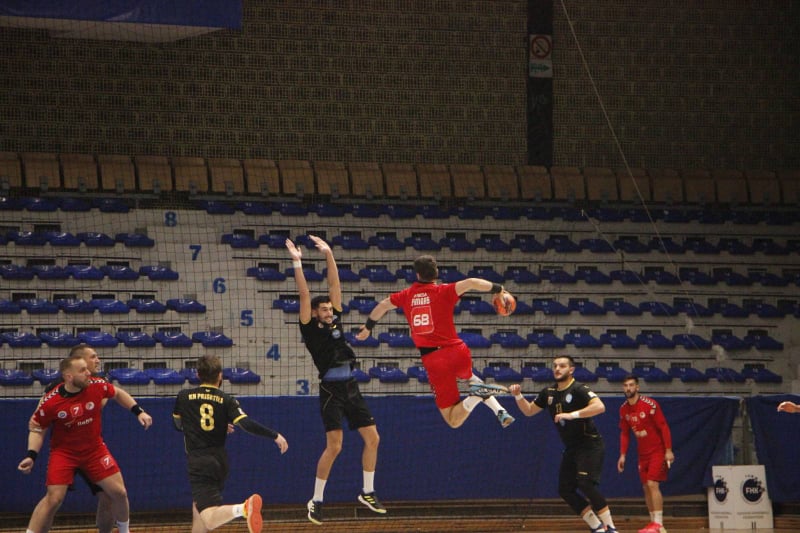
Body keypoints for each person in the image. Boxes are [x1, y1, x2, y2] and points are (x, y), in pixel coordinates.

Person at [286, 235, 386, 525]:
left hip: (351, 387)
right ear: (315, 314)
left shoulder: (336, 319)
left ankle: (367, 492)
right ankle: (316, 500)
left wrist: (329, 253)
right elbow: (304, 294)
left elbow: (334, 285)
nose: (330, 312)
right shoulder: (309, 328)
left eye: (331, 309)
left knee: (373, 438)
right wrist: (297, 263)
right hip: (331, 390)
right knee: (335, 447)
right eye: (325, 310)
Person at [356, 254, 515, 429]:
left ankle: (475, 397)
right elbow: (471, 282)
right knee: (471, 379)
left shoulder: (406, 295)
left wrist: (368, 327)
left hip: (434, 359)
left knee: (453, 420)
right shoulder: (444, 291)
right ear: (436, 272)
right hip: (458, 352)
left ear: (417, 274)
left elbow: (383, 305)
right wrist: (499, 288)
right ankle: (500, 410)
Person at [18, 352, 153, 533]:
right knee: (54, 499)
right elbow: (37, 428)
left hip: (94, 451)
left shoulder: (97, 385)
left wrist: (139, 412)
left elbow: (118, 393)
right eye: (82, 370)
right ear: (69, 376)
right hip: (64, 454)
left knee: (119, 493)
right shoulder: (51, 401)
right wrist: (31, 455)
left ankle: (124, 531)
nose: (88, 373)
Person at [172, 354, 288, 533]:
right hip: (220, 461)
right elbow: (246, 424)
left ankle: (243, 508)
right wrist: (275, 435)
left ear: (198, 374)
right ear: (220, 375)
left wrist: (196, 425)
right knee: (199, 507)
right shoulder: (227, 399)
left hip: (199, 462)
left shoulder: (183, 396)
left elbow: (178, 425)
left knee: (209, 519)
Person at [509, 356, 618, 533]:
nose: (557, 369)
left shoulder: (579, 389)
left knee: (585, 483)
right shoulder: (549, 392)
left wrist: (571, 415)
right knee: (565, 490)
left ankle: (611, 528)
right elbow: (528, 411)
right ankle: (597, 527)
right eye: (555, 366)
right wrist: (518, 396)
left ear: (571, 369)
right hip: (572, 448)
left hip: (589, 444)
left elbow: (600, 407)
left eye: (562, 366)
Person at [618, 375, 673, 533]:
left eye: (631, 385)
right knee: (646, 487)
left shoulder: (650, 405)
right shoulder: (624, 409)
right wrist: (623, 455)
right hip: (642, 454)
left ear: (637, 387)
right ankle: (653, 523)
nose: (628, 388)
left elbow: (663, 426)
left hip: (657, 451)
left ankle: (659, 524)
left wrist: (668, 450)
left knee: (652, 484)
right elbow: (625, 433)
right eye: (625, 385)